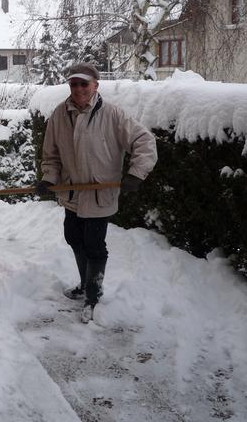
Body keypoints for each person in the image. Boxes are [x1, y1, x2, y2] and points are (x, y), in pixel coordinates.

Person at [36, 63, 157, 322]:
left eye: (84, 83)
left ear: (95, 86)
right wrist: (48, 179)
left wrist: (136, 173)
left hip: (99, 195)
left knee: (94, 245)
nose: (79, 88)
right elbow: (51, 154)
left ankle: (94, 296)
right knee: (73, 238)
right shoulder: (60, 115)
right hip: (72, 194)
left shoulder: (112, 115)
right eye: (74, 84)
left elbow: (144, 140)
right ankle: (84, 285)